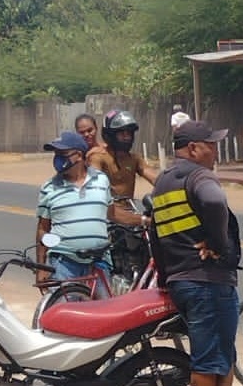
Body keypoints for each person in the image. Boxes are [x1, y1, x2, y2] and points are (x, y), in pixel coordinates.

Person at [150, 120, 241, 386]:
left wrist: (164, 278)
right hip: (208, 280)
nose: (215, 150)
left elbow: (156, 235)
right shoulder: (200, 177)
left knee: (221, 350)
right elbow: (215, 203)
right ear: (192, 148)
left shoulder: (162, 181)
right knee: (208, 359)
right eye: (211, 144)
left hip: (180, 280)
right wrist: (218, 244)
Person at [35, 131, 127, 293]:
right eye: (55, 154)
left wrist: (143, 220)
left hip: (98, 263)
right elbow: (43, 229)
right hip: (64, 264)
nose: (57, 158)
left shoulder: (101, 180)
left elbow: (111, 214)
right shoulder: (49, 188)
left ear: (78, 155)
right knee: (66, 314)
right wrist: (42, 268)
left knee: (103, 314)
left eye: (62, 154)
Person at [88, 109, 158, 226]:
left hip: (130, 212)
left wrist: (170, 184)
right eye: (122, 134)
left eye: (129, 133)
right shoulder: (98, 157)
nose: (127, 137)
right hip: (106, 215)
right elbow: (93, 187)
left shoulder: (134, 158)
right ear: (109, 135)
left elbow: (154, 177)